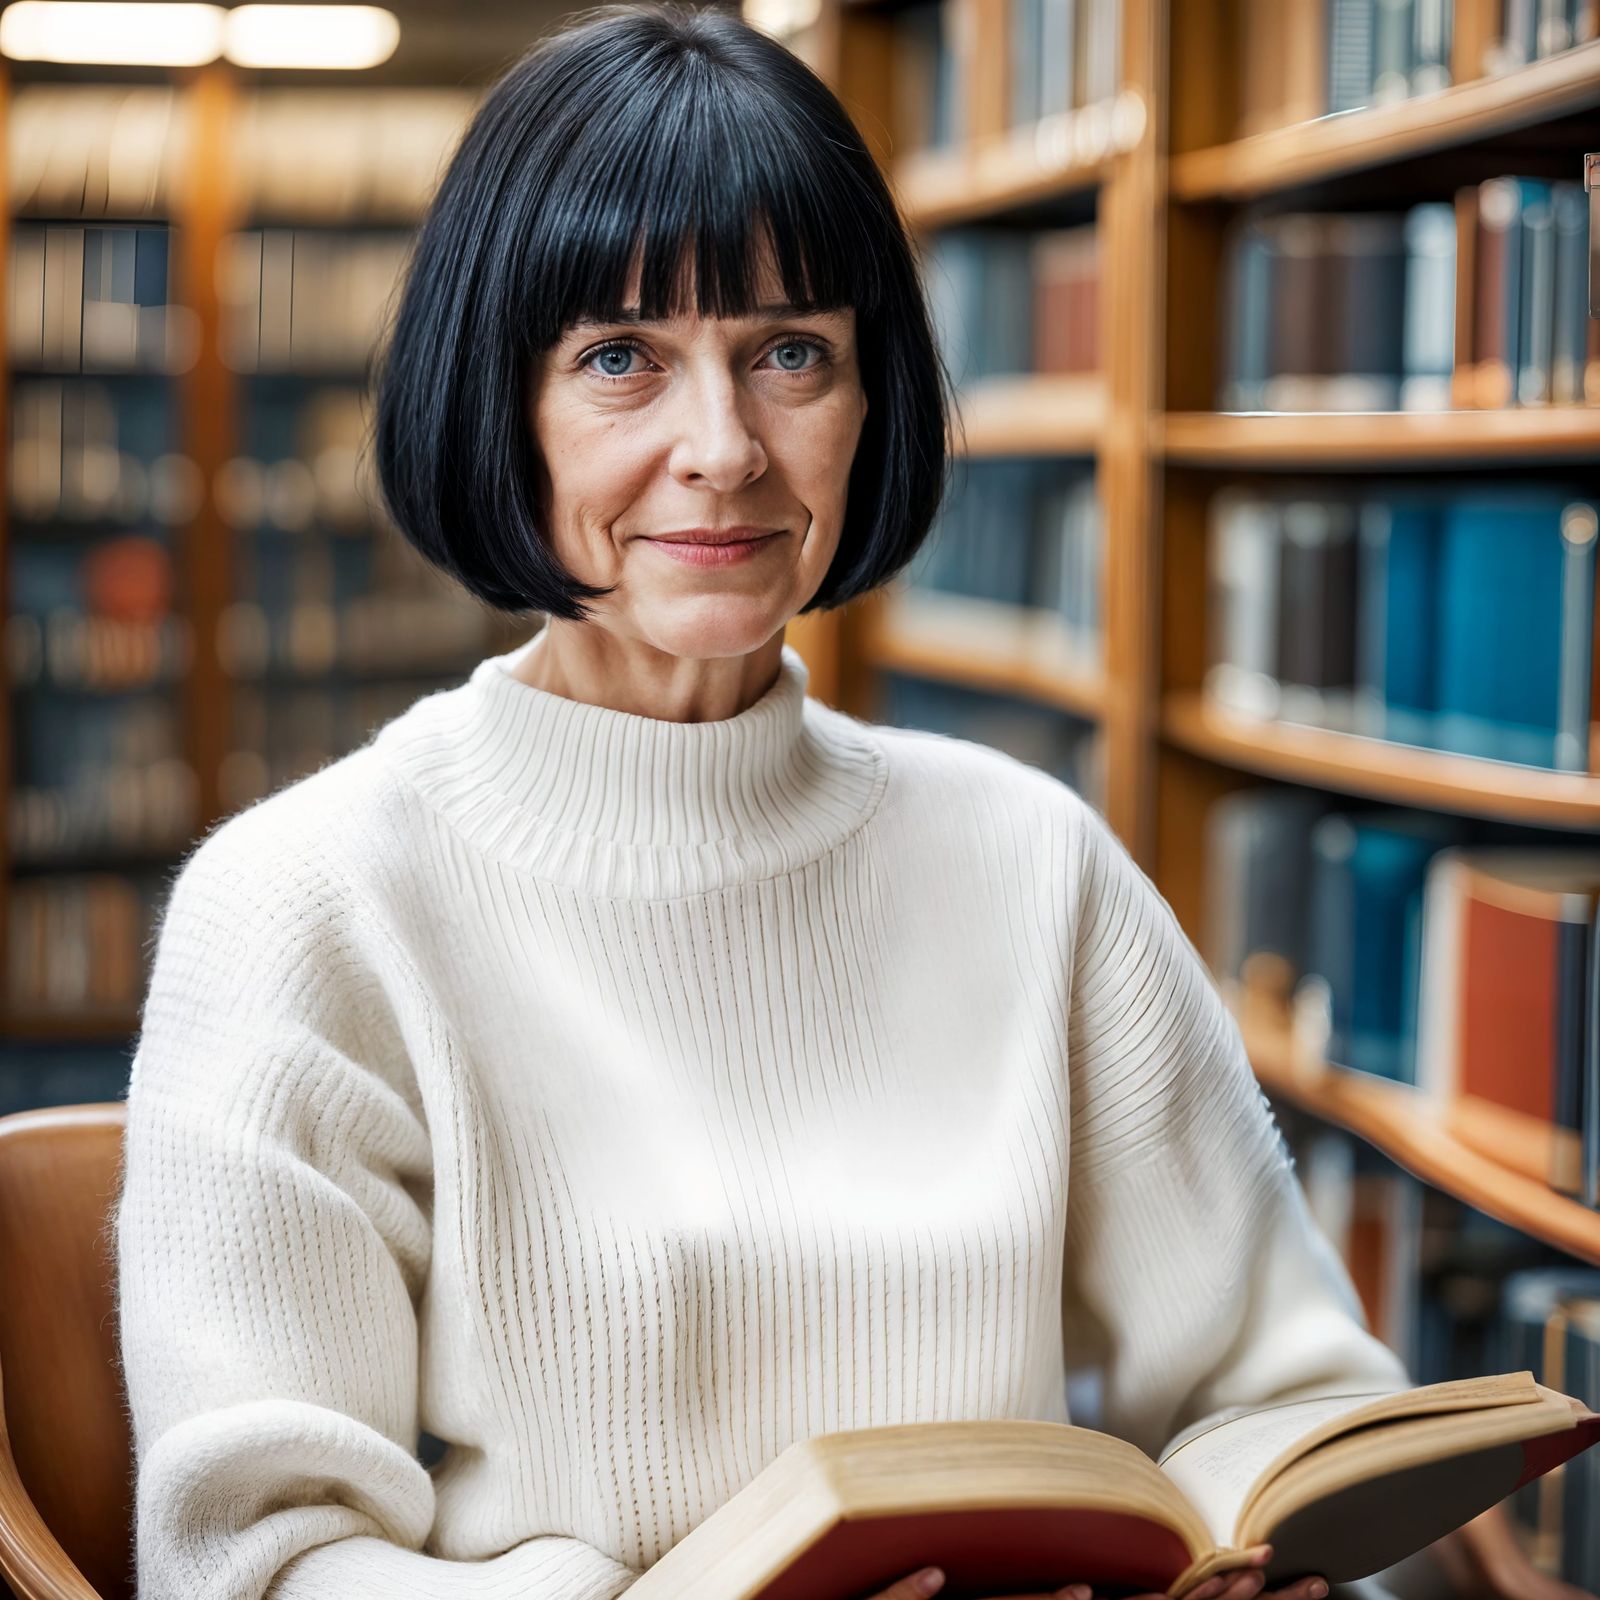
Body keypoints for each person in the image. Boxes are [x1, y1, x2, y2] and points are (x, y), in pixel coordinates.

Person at [110, 6, 1593, 1599]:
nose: (725, 450)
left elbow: (1290, 1393)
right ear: (499, 404)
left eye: (789, 355)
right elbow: (258, 1567)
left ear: (869, 397)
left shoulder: (1029, 861)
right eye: (622, 361)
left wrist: (1267, 1546)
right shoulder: (304, 904)